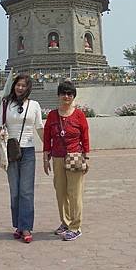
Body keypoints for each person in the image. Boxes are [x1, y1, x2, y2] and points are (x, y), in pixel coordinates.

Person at [0, 74, 43, 243]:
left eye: (23, 86)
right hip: (10, 151)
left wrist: (49, 147)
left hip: (28, 151)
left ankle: (26, 227)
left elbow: (39, 127)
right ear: (14, 86)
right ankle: (18, 225)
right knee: (15, 192)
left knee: (26, 191)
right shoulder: (6, 104)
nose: (20, 88)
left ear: (28, 88)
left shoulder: (34, 105)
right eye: (18, 85)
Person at [43, 80, 90, 241]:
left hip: (75, 156)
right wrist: (45, 155)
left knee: (75, 193)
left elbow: (85, 135)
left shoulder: (79, 115)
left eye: (69, 94)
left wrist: (86, 156)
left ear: (73, 96)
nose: (66, 96)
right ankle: (65, 222)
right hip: (57, 156)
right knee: (61, 191)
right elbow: (47, 136)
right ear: (58, 95)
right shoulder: (52, 115)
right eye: (63, 93)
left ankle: (75, 226)